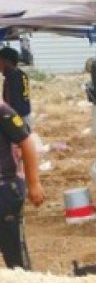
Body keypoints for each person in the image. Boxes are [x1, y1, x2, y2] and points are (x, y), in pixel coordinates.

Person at [0, 102, 45, 269]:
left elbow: (27, 142)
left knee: (14, 254)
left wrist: (33, 183)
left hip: (5, 189)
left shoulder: (3, 112)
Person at [0, 47, 31, 126]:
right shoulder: (21, 74)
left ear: (6, 61)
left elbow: (11, 101)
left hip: (17, 118)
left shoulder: (11, 77)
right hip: (25, 114)